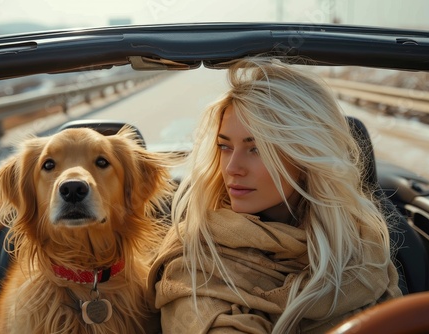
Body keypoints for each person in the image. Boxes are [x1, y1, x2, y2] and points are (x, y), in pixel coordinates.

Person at [147, 57, 402, 334]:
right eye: (224, 146)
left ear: (305, 157)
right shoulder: (196, 258)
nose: (232, 168)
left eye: (256, 148)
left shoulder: (361, 248)